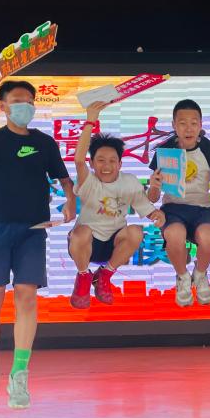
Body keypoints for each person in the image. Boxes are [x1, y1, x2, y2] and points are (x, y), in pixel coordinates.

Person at [0, 80, 76, 411]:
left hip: (33, 230)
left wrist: (70, 199)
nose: (25, 106)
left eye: (29, 101)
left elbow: (63, 177)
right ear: (3, 106)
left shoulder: (43, 142)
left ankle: (20, 374)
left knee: (26, 296)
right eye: (17, 100)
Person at [147, 99, 210, 307]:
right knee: (174, 234)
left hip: (201, 210)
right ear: (174, 125)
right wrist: (154, 186)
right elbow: (152, 198)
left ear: (200, 125)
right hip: (173, 209)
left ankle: (200, 274)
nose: (188, 128)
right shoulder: (165, 151)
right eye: (182, 123)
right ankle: (182, 277)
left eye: (194, 123)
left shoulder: (208, 149)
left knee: (209, 238)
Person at [68, 100, 166, 308]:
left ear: (120, 164)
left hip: (113, 245)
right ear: (92, 163)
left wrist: (157, 215)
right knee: (80, 233)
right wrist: (90, 120)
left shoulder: (129, 182)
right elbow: (78, 160)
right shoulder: (88, 181)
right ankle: (83, 277)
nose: (107, 165)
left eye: (112, 161)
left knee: (136, 232)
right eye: (101, 160)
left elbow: (148, 209)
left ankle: (104, 276)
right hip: (86, 244)